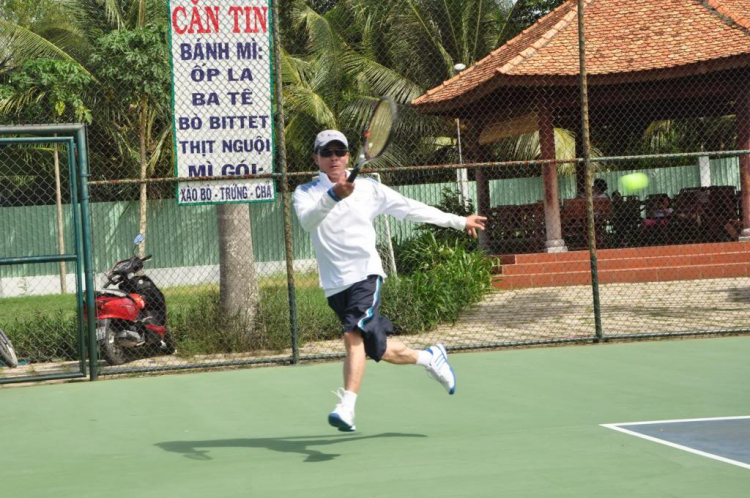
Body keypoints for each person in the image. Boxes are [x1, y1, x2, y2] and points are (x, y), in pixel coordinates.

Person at [293, 129, 487, 432]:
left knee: (352, 336)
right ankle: (430, 357)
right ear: (316, 158)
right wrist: (333, 196)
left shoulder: (370, 189)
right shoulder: (305, 192)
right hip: (334, 284)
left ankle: (347, 407)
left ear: (347, 156)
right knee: (376, 348)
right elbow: (308, 221)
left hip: (365, 274)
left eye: (340, 152)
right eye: (327, 152)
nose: (334, 158)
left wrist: (458, 221)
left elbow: (411, 209)